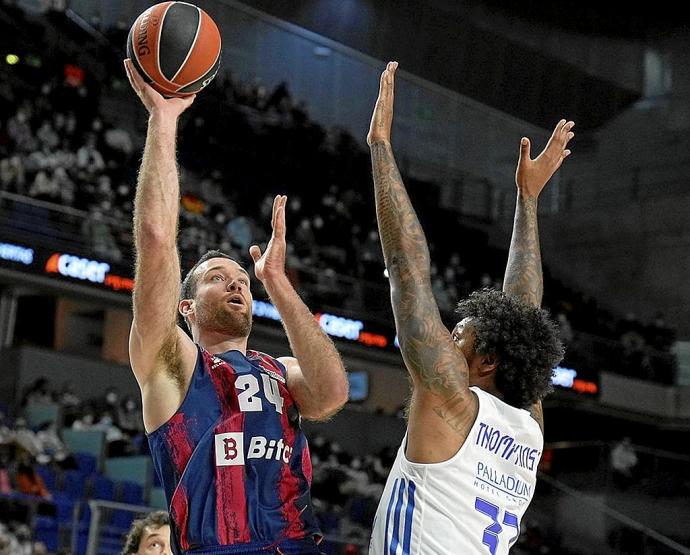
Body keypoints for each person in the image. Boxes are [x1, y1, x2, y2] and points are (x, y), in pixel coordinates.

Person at [123, 59, 349, 555]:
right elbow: (158, 240)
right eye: (217, 278)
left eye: (243, 280)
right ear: (186, 308)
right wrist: (164, 120)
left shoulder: (280, 371)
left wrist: (278, 283)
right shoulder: (175, 366)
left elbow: (333, 393)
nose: (236, 285)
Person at [367, 62, 572, 553]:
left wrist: (379, 149)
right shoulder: (530, 429)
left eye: (459, 336)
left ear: (486, 362)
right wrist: (527, 199)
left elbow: (407, 269)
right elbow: (522, 315)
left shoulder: (451, 403)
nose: (448, 339)